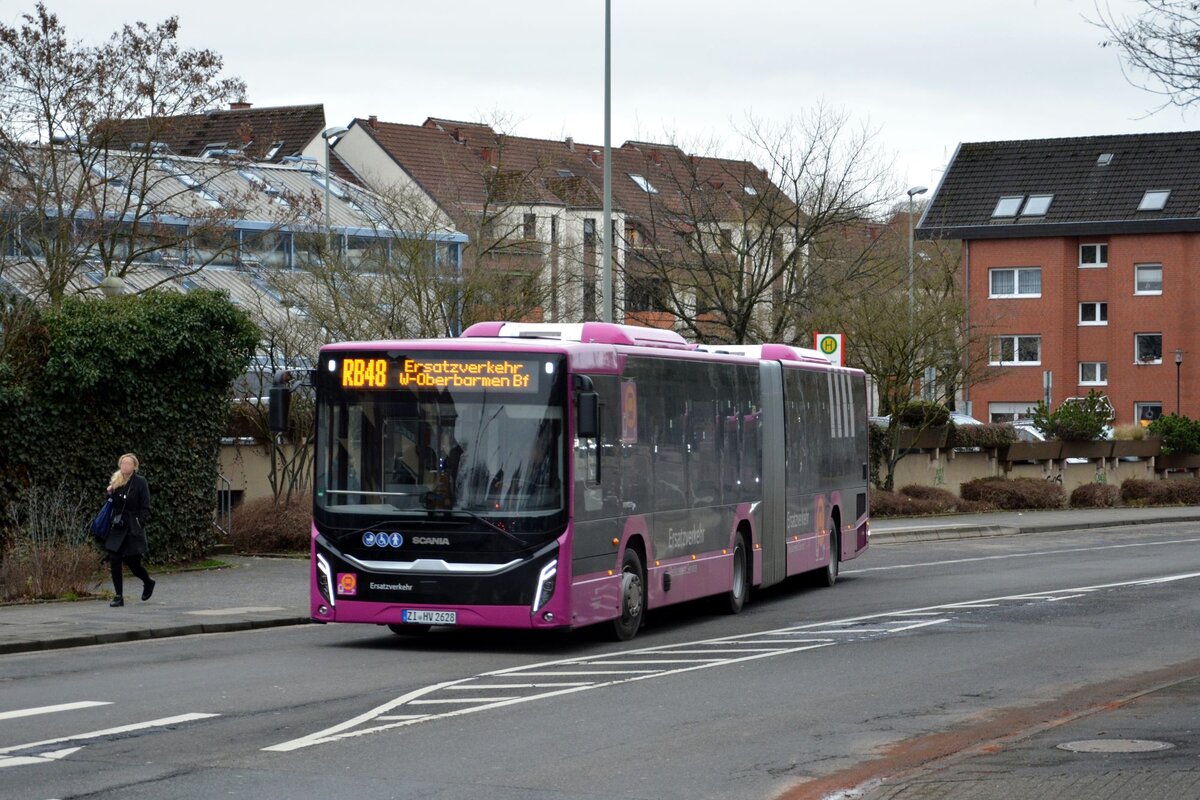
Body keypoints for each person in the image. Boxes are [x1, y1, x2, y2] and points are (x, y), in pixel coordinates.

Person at [104, 453, 154, 607]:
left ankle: (148, 581)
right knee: (114, 558)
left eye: (128, 464)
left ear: (134, 466)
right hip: (118, 525)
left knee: (134, 564)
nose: (124, 466)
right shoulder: (116, 481)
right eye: (122, 463)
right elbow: (112, 505)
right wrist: (110, 493)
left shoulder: (140, 482)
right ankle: (118, 596)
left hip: (133, 526)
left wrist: (140, 522)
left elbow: (145, 506)